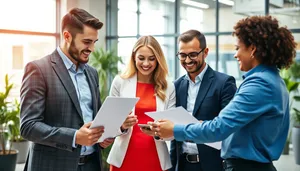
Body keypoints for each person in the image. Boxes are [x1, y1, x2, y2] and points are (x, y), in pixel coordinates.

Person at [152, 16, 297, 171]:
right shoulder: (272, 79)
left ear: (253, 49)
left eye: (237, 48)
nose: (235, 55)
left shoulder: (260, 84)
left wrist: (175, 129)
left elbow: (219, 128)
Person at [20, 8, 113, 171]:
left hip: (91, 164)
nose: (92, 48)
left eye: (94, 42)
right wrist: (75, 137)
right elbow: (28, 126)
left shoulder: (91, 73)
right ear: (67, 36)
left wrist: (102, 136)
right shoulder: (38, 69)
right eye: (86, 42)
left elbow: (94, 118)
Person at [160, 30, 236, 171]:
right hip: (182, 165)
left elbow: (228, 128)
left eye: (193, 54)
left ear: (205, 52)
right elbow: (174, 134)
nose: (187, 60)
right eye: (182, 55)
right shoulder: (176, 86)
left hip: (212, 165)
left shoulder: (224, 83)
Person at [107, 35, 176, 171]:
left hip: (155, 158)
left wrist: (158, 131)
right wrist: (122, 126)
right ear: (134, 57)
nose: (146, 63)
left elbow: (172, 131)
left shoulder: (168, 87)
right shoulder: (120, 82)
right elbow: (107, 125)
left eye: (151, 58)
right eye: (141, 58)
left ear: (158, 59)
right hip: (123, 158)